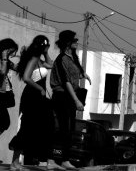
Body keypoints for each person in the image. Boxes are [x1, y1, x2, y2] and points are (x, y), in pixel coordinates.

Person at [9, 35, 64, 170]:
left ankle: (50, 160)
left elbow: (51, 64)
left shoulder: (40, 60)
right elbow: (27, 77)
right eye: (47, 46)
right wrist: (40, 88)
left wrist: (46, 53)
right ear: (42, 45)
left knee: (49, 126)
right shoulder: (33, 59)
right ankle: (14, 162)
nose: (48, 48)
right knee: (27, 128)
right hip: (32, 97)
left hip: (39, 98)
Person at [50, 30, 91, 169]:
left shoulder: (72, 57)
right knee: (63, 128)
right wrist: (77, 101)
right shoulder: (61, 59)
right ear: (68, 42)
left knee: (70, 128)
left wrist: (84, 75)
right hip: (62, 96)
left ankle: (64, 160)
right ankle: (55, 159)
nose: (77, 42)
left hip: (70, 96)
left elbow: (74, 75)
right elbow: (66, 82)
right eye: (74, 40)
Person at [0, 38, 18, 134]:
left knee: (4, 123)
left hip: (2, 94)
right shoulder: (3, 60)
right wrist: (4, 56)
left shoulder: (7, 61)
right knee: (4, 122)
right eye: (11, 51)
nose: (13, 54)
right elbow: (2, 72)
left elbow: (18, 68)